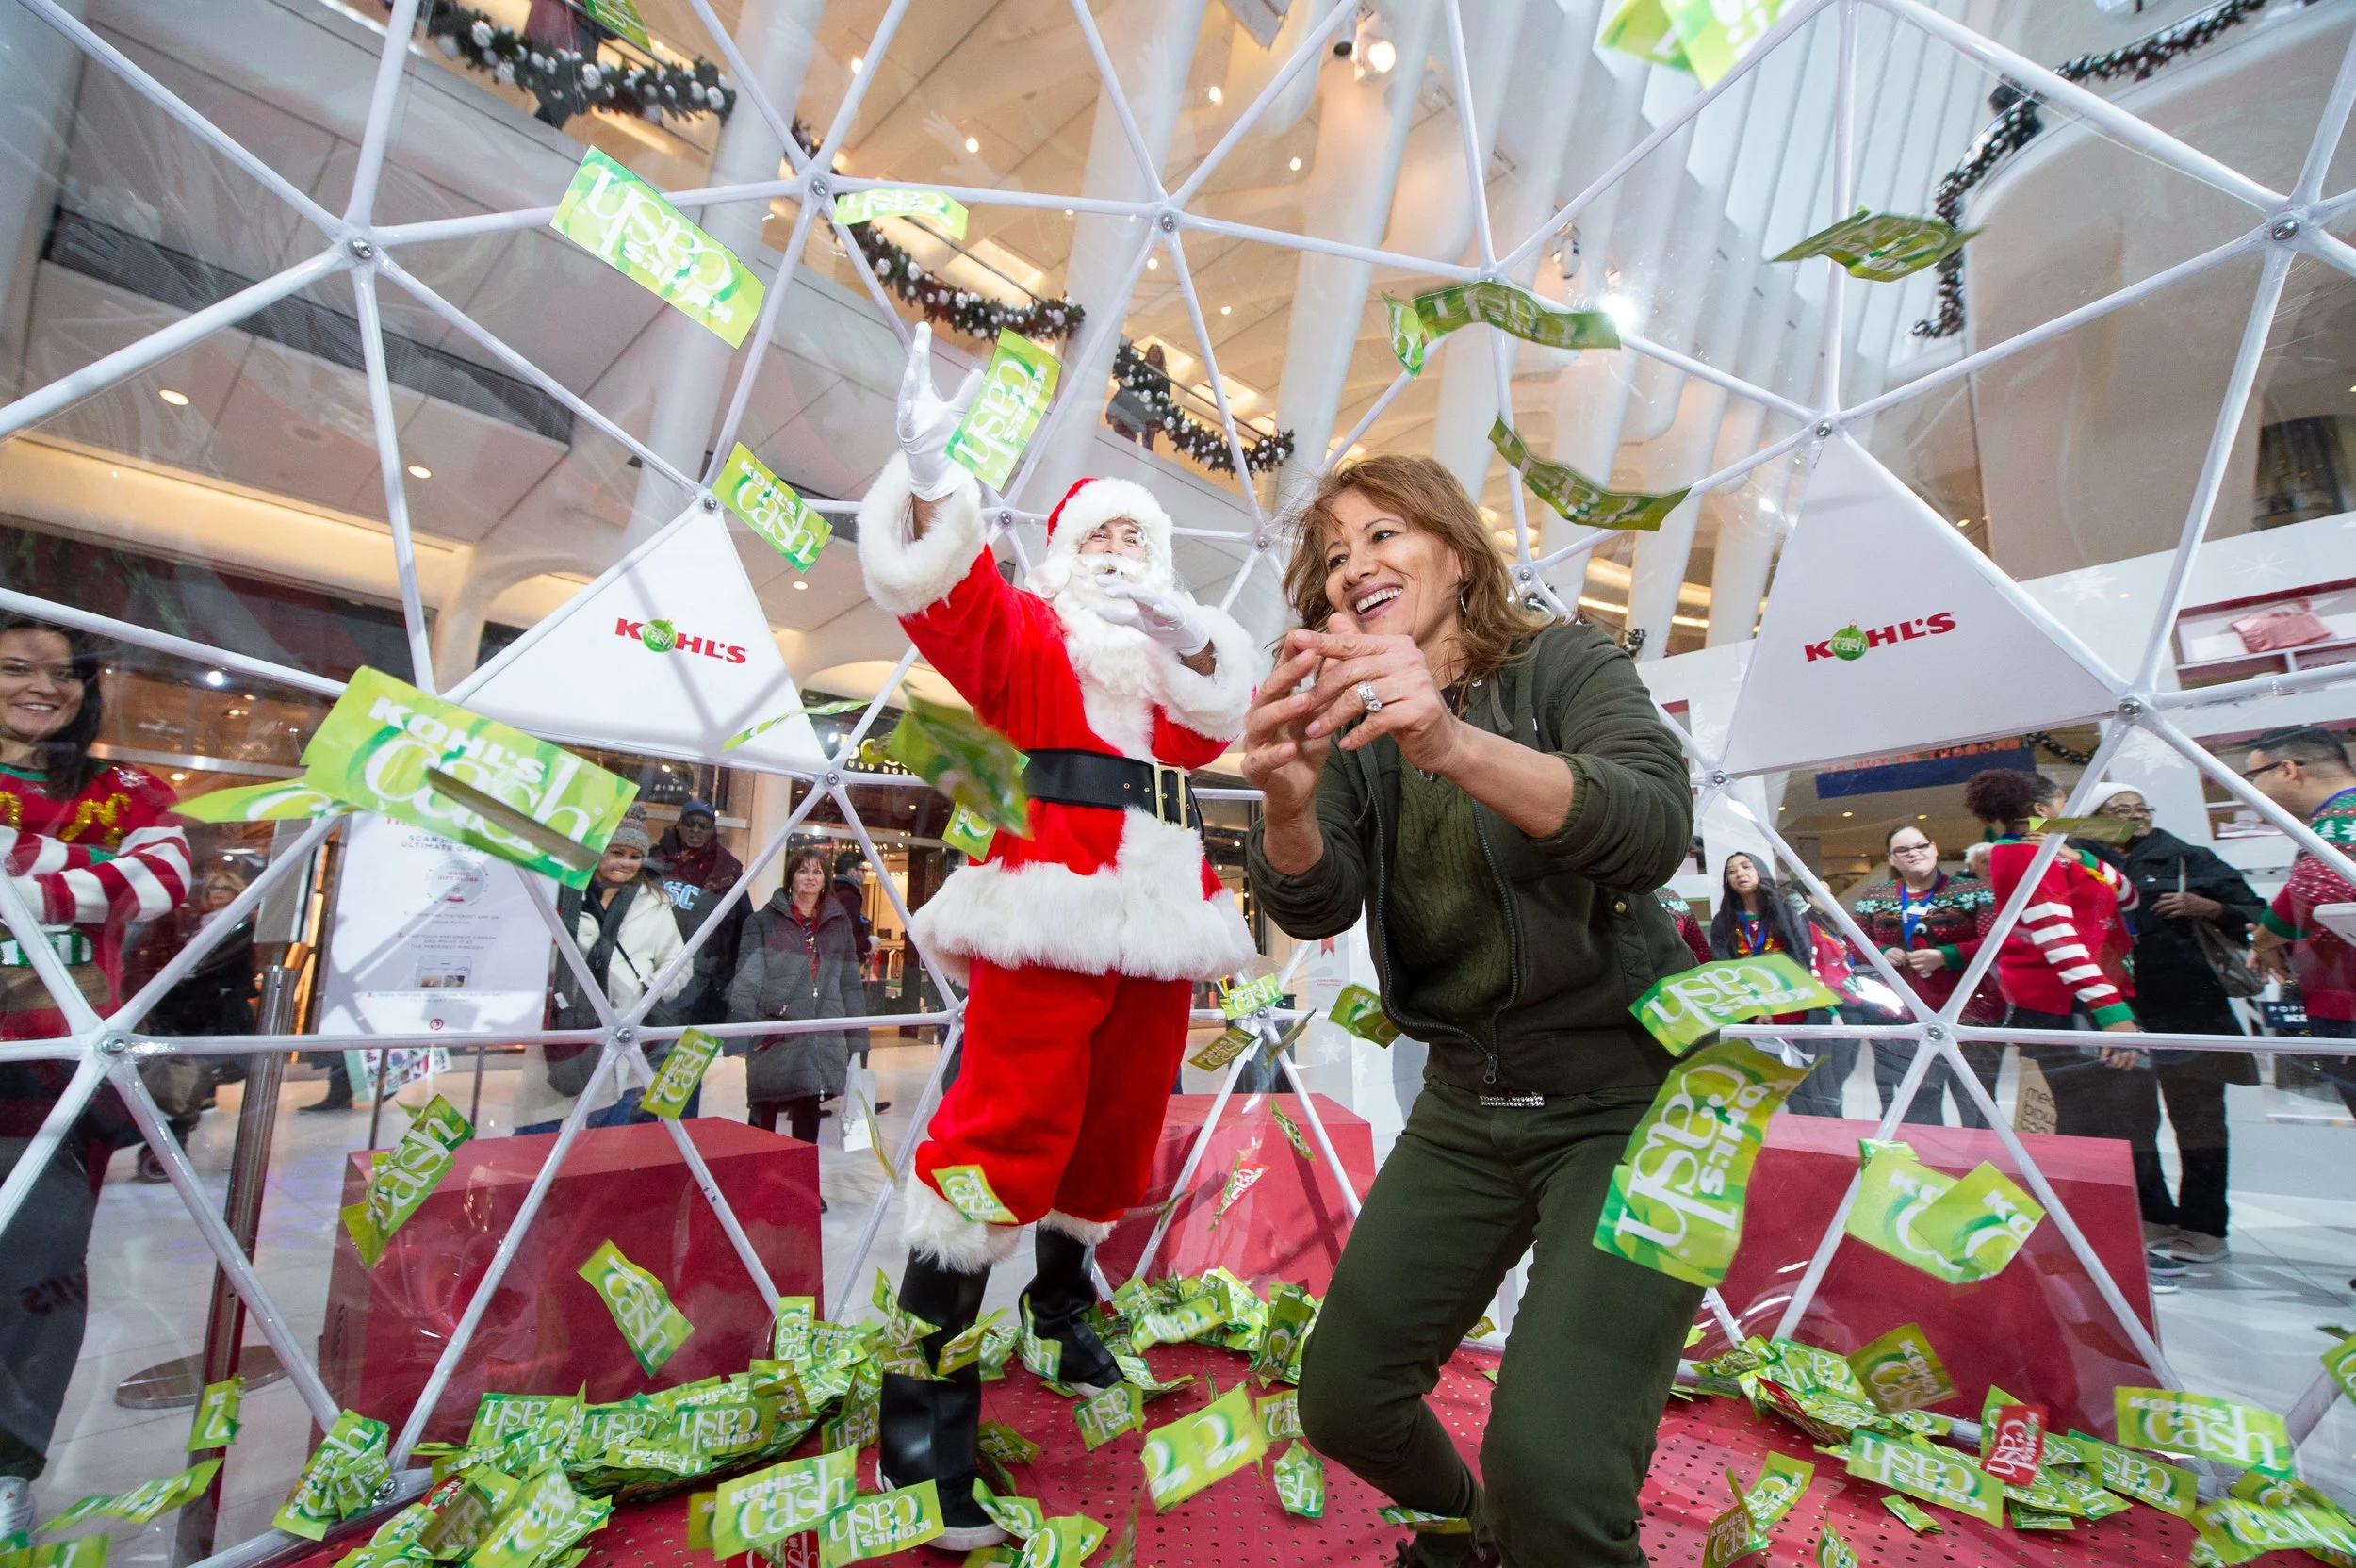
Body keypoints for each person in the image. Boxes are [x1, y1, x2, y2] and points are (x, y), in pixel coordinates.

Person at [1242, 453, 1696, 1568]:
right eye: (1334, 555)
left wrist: (1446, 738)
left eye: (1384, 534)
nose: (1356, 567)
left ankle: (1528, 1528)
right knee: (1343, 1403)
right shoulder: (1350, 722)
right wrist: (1289, 806)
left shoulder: (1561, 662)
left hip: (1629, 1102)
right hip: (1465, 1101)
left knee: (1553, 1471)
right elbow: (1313, 897)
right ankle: (1479, 1534)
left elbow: (1649, 824)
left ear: (1454, 547)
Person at [857, 324, 1260, 1548]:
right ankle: (921, 1427)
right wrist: (933, 484)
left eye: (1140, 535)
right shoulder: (1040, 647)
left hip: (1164, 932)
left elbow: (1212, 728)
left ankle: (1061, 1308)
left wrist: (1191, 639)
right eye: (1103, 536)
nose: (1123, 552)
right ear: (1065, 557)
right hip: (1051, 918)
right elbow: (960, 610)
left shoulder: (1165, 682)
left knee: (1118, 1133)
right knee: (1002, 1136)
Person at [0, 619, 190, 1544]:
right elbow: (119, 880)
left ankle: (5, 1470)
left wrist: (21, 872)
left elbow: (159, 881)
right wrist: (85, 873)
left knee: (35, 1277)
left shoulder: (121, 788)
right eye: (16, 667)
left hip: (51, 1085)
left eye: (65, 672)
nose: (45, 686)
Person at [2088, 782, 2265, 1264]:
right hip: (2120, 1013)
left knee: (2200, 1119)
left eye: (2140, 807)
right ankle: (2152, 1215)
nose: (2135, 816)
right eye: (2118, 811)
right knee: (2131, 1120)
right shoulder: (2082, 861)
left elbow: (2256, 913)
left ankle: (2206, 1226)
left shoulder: (2186, 857)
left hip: (2192, 1011)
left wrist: (2208, 907)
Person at [1958, 770, 2142, 1140]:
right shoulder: (2019, 854)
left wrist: (2076, 856)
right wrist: (2111, 1013)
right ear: (2041, 808)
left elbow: (2129, 896)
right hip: (2067, 1003)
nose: (2069, 809)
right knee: (2099, 1124)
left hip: (2092, 990)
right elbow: (2058, 940)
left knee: (2119, 1120)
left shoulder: (2061, 851)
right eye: (2063, 801)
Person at [517, 805, 691, 1133]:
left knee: (608, 1137)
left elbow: (678, 962)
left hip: (620, 1030)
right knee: (536, 1130)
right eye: (617, 852)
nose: (626, 863)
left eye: (635, 855)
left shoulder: (654, 903)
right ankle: (537, 1184)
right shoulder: (562, 893)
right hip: (560, 1028)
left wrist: (646, 993)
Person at [1849, 824, 2002, 1125]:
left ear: (1934, 849)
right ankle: (1926, 1169)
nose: (1913, 854)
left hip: (1969, 1012)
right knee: (1917, 1106)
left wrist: (1947, 956)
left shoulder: (1973, 890)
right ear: (1892, 859)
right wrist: (1880, 951)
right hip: (1903, 1017)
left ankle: (1985, 1168)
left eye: (1920, 846)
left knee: (1977, 1104)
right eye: (1903, 850)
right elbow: (1853, 940)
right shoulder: (1875, 894)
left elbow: (1995, 941)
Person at [2240, 726, 2356, 1120]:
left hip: (2347, 999)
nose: (2249, 790)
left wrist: (2264, 939)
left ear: (2288, 769)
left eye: (2252, 777)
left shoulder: (2342, 817)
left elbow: (2314, 893)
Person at [728, 846, 864, 1166]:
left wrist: (858, 1038)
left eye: (817, 871)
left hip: (819, 1030)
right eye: (804, 870)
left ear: (826, 879)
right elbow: (746, 978)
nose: (810, 877)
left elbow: (850, 982)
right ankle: (758, 1180)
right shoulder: (762, 921)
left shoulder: (838, 922)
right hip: (776, 1028)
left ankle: (801, 1185)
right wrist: (740, 1029)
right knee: (766, 1107)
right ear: (791, 877)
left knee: (808, 1109)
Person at [1709, 852, 1851, 1118]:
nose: (1739, 874)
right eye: (1731, 871)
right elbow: (1725, 973)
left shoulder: (1784, 911)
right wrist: (1755, 1012)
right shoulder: (1723, 922)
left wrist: (1776, 1009)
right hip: (1750, 1017)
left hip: (1795, 1012)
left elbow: (1801, 962)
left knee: (1809, 1092)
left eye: (1746, 867)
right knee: (1755, 1093)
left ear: (1760, 870)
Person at [651, 798, 747, 1028]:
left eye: (703, 825)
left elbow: (742, 926)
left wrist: (730, 979)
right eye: (690, 823)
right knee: (646, 1050)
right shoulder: (654, 861)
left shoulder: (727, 871)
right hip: (654, 969)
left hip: (703, 980)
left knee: (687, 1057)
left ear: (712, 830)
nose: (696, 830)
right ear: (679, 825)